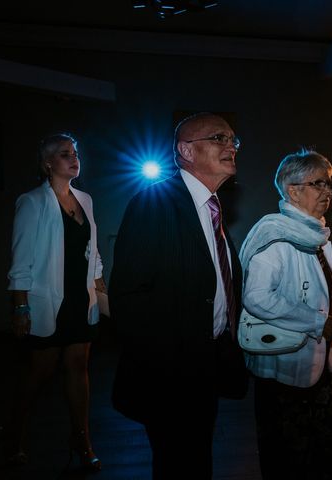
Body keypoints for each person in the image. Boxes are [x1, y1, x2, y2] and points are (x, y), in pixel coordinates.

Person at [109, 112, 248, 479]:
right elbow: (128, 296)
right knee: (177, 463)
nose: (231, 146)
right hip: (171, 374)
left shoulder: (213, 209)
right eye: (219, 138)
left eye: (233, 139)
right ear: (186, 150)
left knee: (197, 459)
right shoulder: (155, 202)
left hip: (207, 365)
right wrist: (166, 365)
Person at [239, 148, 332, 480]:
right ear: (292, 190)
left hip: (316, 366)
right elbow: (256, 297)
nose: (327, 192)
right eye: (318, 183)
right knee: (290, 459)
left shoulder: (316, 234)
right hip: (283, 369)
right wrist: (318, 322)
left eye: (330, 184)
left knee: (325, 457)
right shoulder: (274, 235)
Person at [6, 133, 105, 471]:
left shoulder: (86, 199)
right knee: (39, 372)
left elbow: (94, 254)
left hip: (81, 298)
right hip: (48, 300)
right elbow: (20, 261)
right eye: (64, 154)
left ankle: (82, 438)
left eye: (75, 153)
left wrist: (101, 292)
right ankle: (15, 436)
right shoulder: (32, 202)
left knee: (79, 368)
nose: (73, 158)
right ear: (48, 163)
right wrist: (21, 307)